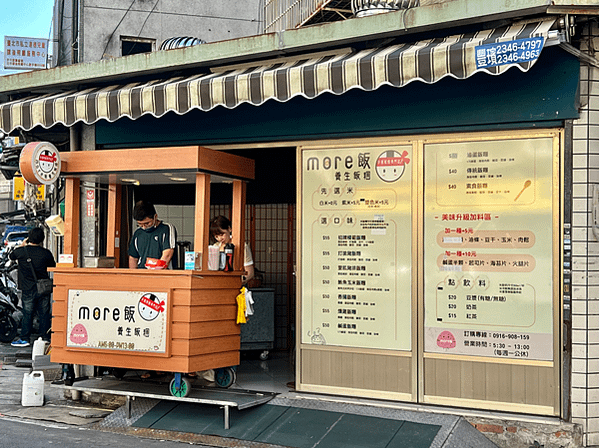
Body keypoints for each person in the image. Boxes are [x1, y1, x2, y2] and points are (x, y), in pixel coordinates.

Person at [10, 227, 56, 347]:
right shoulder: (46, 253)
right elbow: (53, 266)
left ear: (29, 238)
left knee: (27, 313)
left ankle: (25, 339)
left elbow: (11, 256)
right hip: (43, 288)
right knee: (44, 313)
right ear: (42, 239)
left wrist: (23, 244)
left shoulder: (21, 252)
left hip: (27, 288)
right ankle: (45, 337)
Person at [128, 200, 176, 269]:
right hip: (141, 273)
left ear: (155, 217)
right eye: (140, 224)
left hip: (161, 274)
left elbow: (167, 254)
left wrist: (155, 272)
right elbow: (133, 258)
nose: (144, 227)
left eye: (147, 223)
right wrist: (133, 276)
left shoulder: (167, 229)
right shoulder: (138, 233)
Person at [210, 215, 254, 284]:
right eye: (216, 236)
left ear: (229, 229)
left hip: (236, 285)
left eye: (222, 234)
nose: (219, 238)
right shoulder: (215, 247)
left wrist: (234, 283)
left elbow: (250, 273)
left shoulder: (242, 246)